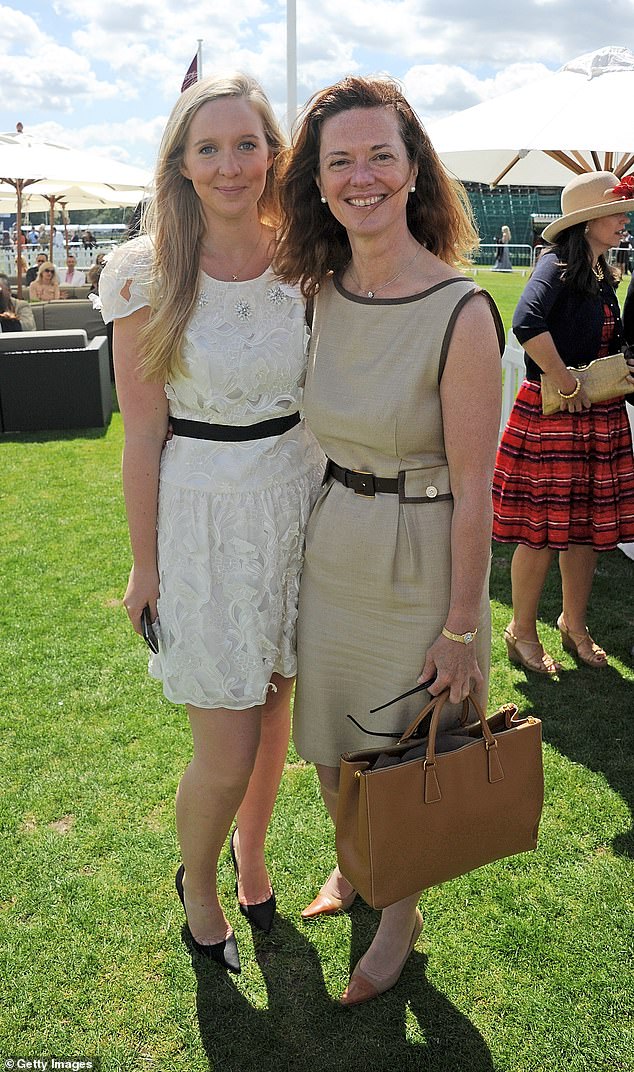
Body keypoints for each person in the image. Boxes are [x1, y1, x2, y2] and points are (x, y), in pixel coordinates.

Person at [275, 75, 503, 1005]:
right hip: (337, 547)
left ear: (414, 172)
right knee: (332, 750)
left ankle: (398, 910)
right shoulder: (318, 293)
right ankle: (357, 862)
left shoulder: (462, 309)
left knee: (398, 754)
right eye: (341, 160)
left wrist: (459, 626)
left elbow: (480, 484)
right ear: (319, 182)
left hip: (424, 556)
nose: (361, 175)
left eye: (380, 155)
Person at [99, 73, 324, 974]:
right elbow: (143, 432)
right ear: (182, 165)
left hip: (301, 503)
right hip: (204, 518)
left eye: (247, 144)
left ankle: (253, 855)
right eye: (209, 147)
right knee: (224, 749)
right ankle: (196, 884)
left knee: (275, 714)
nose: (231, 164)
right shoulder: (144, 272)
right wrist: (144, 567)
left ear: (273, 153)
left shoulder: (312, 254)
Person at [493, 172, 634, 672]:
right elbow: (526, 323)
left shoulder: (599, 273)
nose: (625, 219)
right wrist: (567, 382)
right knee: (539, 532)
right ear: (588, 220)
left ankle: (574, 625)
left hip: (597, 418)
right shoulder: (554, 265)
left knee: (587, 532)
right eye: (618, 212)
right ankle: (520, 630)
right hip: (556, 416)